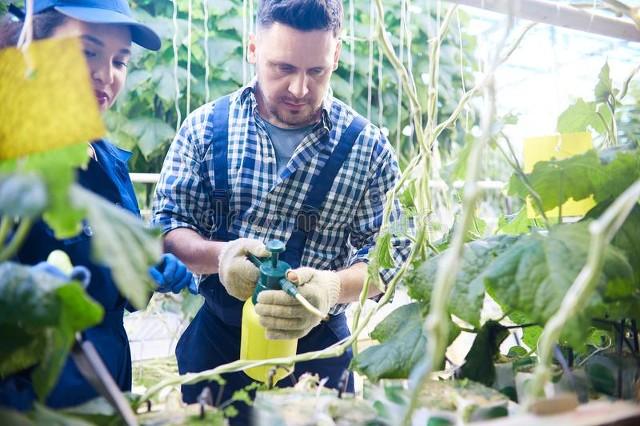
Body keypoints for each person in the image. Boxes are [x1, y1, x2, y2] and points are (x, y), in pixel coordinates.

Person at [152, 0, 410, 422]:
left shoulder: (369, 148)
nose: (299, 90)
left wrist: (330, 288)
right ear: (253, 49)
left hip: (319, 352)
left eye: (316, 72)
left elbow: (395, 255)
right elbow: (167, 228)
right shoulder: (203, 128)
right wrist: (221, 257)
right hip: (218, 345)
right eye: (282, 68)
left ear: (337, 56)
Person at [0, 0, 196, 410]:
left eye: (120, 61)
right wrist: (19, 289)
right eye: (87, 51)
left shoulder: (106, 159)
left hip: (107, 389)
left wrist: (141, 271)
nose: (106, 75)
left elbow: (111, 280)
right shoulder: (10, 152)